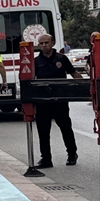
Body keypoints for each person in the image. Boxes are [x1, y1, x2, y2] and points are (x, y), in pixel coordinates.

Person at [32, 33, 78, 168]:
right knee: (43, 131)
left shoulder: (61, 59)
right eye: (41, 43)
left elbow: (74, 73)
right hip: (43, 102)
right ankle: (46, 159)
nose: (44, 45)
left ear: (53, 43)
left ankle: (72, 154)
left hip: (60, 100)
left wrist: (85, 87)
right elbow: (30, 80)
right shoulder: (35, 61)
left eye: (46, 43)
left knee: (65, 128)